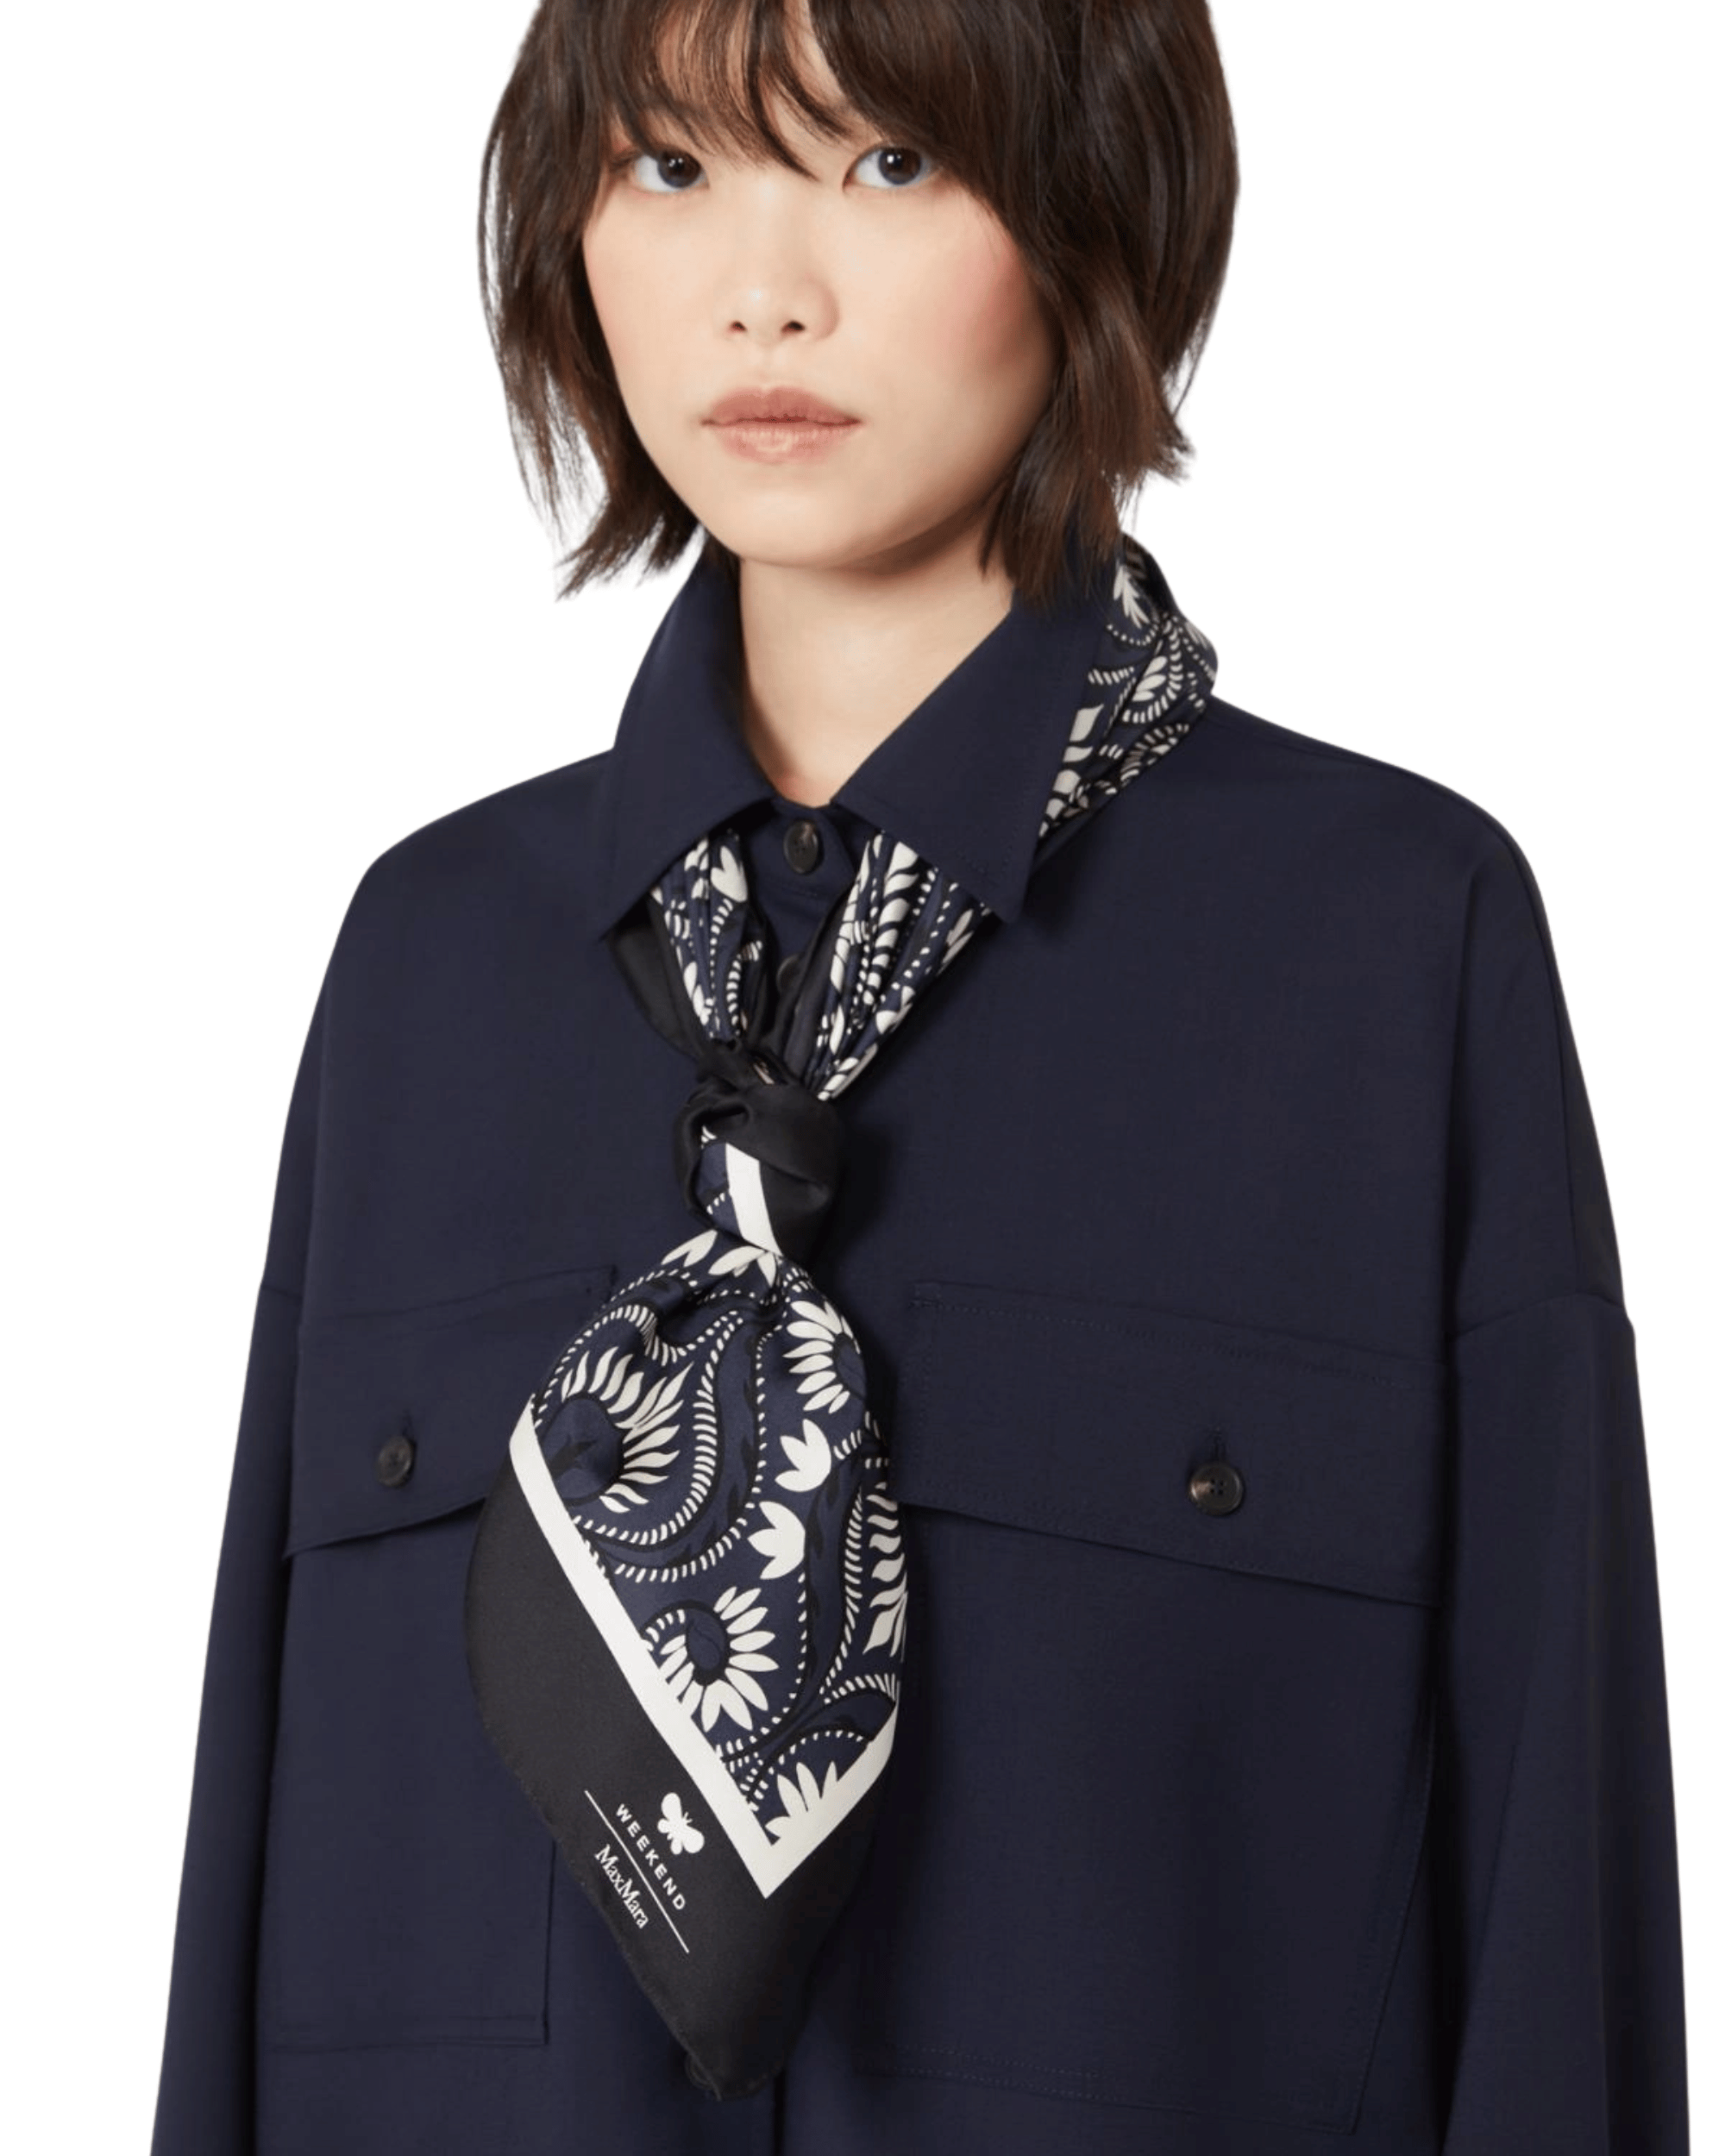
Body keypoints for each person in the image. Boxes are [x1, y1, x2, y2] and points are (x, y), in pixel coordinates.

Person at [147, 0, 1690, 2150]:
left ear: (1098, 205)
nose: (762, 289)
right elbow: (258, 1895)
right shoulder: (429, 965)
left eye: (888, 162)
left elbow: (1550, 1899)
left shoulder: (1390, 949)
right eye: (670, 166)